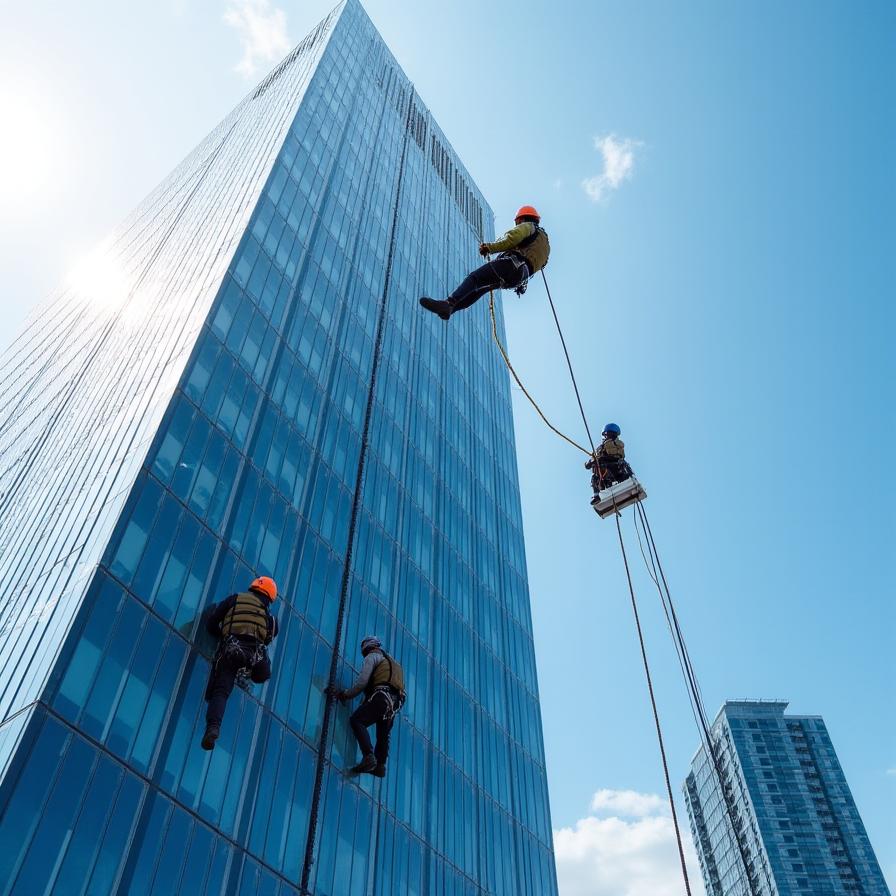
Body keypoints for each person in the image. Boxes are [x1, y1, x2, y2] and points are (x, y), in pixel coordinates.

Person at [419, 205, 550, 320]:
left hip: (512, 265)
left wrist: (489, 247)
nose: (518, 224)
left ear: (522, 219)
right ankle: (450, 309)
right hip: (518, 278)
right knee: (479, 289)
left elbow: (512, 238)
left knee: (474, 278)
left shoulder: (529, 227)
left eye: (519, 222)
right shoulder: (545, 246)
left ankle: (449, 303)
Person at [201, 576, 279, 751]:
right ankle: (250, 672)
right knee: (263, 671)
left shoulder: (233, 599)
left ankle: (213, 727)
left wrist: (222, 635)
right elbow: (267, 639)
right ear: (269, 598)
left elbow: (212, 623)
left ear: (252, 589)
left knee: (221, 691)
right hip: (253, 657)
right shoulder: (270, 619)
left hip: (231, 650)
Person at [334, 636, 406, 777]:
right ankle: (380, 766)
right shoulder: (394, 665)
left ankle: (368, 756)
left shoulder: (372, 656)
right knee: (383, 733)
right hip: (394, 704)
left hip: (382, 696)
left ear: (368, 648)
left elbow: (362, 682)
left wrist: (345, 695)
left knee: (357, 720)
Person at [585, 424, 633, 502]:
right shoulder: (600, 448)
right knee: (594, 477)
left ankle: (630, 480)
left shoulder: (617, 444)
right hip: (605, 473)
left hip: (616, 469)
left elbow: (618, 456)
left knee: (622, 466)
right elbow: (590, 463)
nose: (608, 436)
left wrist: (600, 459)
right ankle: (596, 496)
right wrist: (590, 462)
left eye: (610, 434)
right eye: (607, 434)